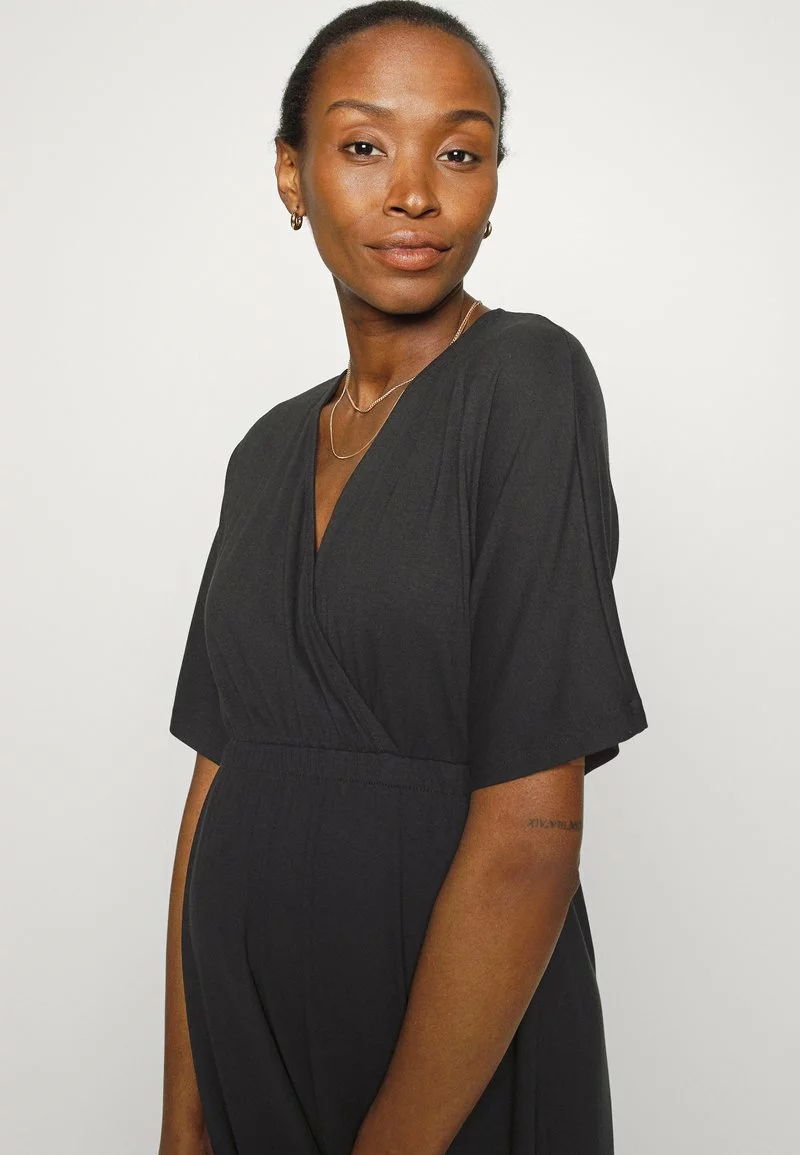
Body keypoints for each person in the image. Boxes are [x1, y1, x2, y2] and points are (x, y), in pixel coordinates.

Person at [158, 3, 648, 1154]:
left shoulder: (525, 380)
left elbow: (531, 828)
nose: (415, 192)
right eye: (365, 144)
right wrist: (183, 1118)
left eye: (459, 153)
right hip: (247, 1049)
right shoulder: (265, 449)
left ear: (492, 184)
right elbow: (215, 780)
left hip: (442, 1057)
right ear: (292, 174)